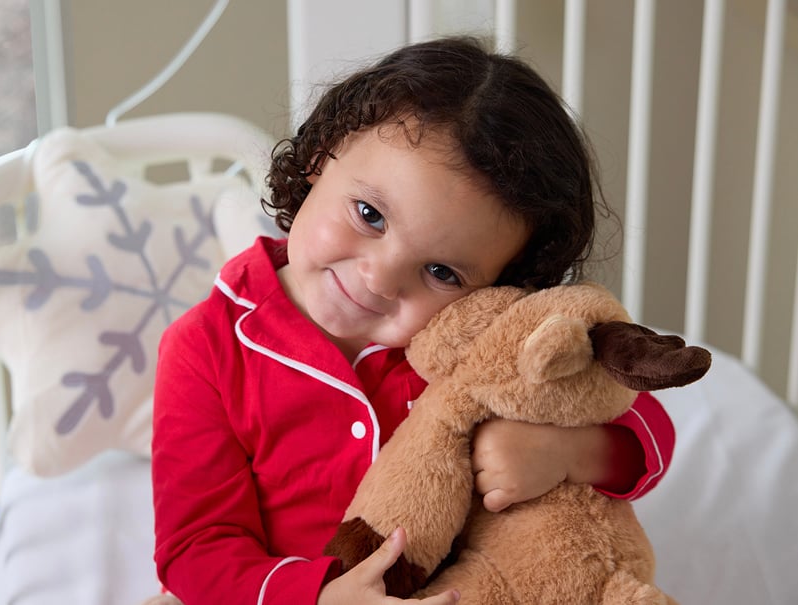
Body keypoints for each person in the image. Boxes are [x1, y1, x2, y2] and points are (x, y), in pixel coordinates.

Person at [151, 36, 674, 605]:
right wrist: (319, 597)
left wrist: (569, 454)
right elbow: (198, 545)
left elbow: (639, 417)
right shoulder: (206, 346)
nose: (380, 278)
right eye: (370, 215)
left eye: (441, 272)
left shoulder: (478, 332)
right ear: (322, 155)